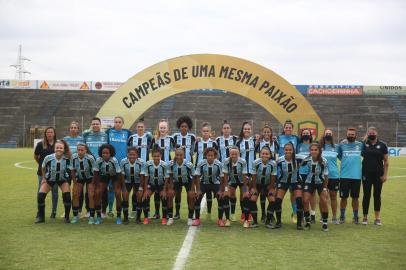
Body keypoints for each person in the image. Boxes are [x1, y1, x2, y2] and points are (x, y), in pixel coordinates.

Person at [35, 140, 72, 223]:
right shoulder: (48, 157)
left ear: (64, 149)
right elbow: (43, 167)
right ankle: (41, 217)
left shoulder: (67, 158)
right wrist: (44, 178)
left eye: (61, 148)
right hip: (50, 179)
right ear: (54, 148)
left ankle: (67, 217)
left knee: (67, 196)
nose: (59, 149)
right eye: (57, 147)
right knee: (40, 196)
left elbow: (71, 169)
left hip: (62, 180)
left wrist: (69, 180)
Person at [128, 118, 156, 218]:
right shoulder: (132, 137)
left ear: (144, 128)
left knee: (145, 190)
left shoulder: (148, 137)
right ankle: (134, 210)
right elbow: (129, 149)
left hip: (146, 167)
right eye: (138, 127)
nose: (140, 128)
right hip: (135, 167)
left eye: (142, 127)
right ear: (136, 128)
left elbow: (153, 145)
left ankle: (147, 210)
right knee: (136, 190)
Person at [361, 127, 389, 226]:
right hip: (366, 174)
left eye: (373, 133)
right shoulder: (364, 144)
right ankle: (365, 217)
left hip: (378, 174)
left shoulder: (382, 145)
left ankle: (377, 218)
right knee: (366, 195)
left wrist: (385, 175)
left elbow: (386, 161)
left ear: (376, 133)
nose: (372, 134)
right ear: (367, 134)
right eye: (370, 133)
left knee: (377, 195)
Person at [83, 117, 109, 218]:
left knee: (103, 189)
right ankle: (89, 210)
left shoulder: (105, 136)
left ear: (100, 125)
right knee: (89, 189)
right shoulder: (86, 135)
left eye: (97, 124)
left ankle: (103, 211)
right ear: (91, 125)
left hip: (102, 166)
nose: (95, 126)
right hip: (89, 166)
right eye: (93, 124)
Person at [106, 116, 132, 219]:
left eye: (119, 122)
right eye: (116, 122)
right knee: (111, 188)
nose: (117, 123)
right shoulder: (109, 132)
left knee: (125, 188)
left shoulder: (127, 133)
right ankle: (111, 210)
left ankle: (126, 209)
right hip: (112, 163)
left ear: (123, 123)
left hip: (124, 164)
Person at [274, 142, 304, 230]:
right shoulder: (280, 160)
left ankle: (299, 223)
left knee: (299, 201)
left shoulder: (299, 158)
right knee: (278, 201)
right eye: (286, 150)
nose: (288, 151)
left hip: (296, 181)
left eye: (290, 150)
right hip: (283, 181)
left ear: (293, 150)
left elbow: (310, 159)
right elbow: (274, 171)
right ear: (284, 150)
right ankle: (278, 222)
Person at [193, 147, 225, 227]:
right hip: (204, 183)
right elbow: (197, 176)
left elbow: (222, 178)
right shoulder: (201, 163)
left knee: (221, 197)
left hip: (215, 183)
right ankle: (197, 218)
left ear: (215, 156)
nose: (210, 157)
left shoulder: (219, 164)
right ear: (205, 156)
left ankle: (220, 219)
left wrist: (221, 190)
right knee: (197, 197)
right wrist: (198, 190)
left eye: (212, 155)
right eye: (208, 155)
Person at [337, 127, 364, 224]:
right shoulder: (342, 145)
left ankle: (355, 217)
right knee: (343, 197)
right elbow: (339, 156)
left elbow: (365, 154)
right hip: (344, 175)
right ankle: (342, 216)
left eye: (352, 134)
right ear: (346, 134)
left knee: (355, 197)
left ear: (355, 135)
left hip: (356, 176)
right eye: (349, 134)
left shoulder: (360, 145)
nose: (350, 136)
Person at [301, 143, 329, 232]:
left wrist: (325, 188)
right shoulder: (306, 160)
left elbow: (326, 175)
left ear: (319, 151)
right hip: (309, 181)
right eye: (312, 150)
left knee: (324, 201)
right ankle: (308, 221)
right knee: (305, 200)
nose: (313, 151)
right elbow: (299, 167)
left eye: (315, 150)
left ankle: (325, 223)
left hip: (320, 182)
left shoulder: (324, 161)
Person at [142, 146, 173, 225]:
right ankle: (146, 217)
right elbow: (146, 177)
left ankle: (164, 218)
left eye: (158, 156)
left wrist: (164, 190)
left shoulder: (164, 165)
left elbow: (166, 178)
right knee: (145, 197)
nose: (156, 158)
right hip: (151, 184)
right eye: (154, 156)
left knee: (164, 197)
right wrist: (145, 190)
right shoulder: (148, 164)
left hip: (161, 184)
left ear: (161, 156)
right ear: (152, 156)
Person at [151, 120, 176, 218]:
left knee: (168, 190)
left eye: (164, 128)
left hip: (168, 168)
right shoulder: (155, 139)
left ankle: (168, 213)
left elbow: (176, 150)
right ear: (158, 128)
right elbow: (152, 153)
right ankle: (157, 213)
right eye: (161, 128)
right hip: (157, 168)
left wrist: (172, 161)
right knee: (157, 191)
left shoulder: (171, 139)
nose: (162, 129)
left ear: (167, 129)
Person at [277, 120, 300, 224]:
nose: (288, 129)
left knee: (293, 193)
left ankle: (295, 213)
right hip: (281, 168)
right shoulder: (279, 138)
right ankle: (278, 218)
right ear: (284, 128)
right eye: (286, 127)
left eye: (290, 127)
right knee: (279, 194)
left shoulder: (296, 138)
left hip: (293, 169)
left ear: (292, 128)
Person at [255, 124, 279, 223]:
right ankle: (263, 214)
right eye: (264, 132)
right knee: (262, 193)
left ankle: (270, 214)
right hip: (261, 171)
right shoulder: (259, 143)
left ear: (271, 133)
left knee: (271, 192)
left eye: (268, 132)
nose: (266, 133)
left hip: (271, 171)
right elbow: (256, 157)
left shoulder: (275, 143)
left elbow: (276, 156)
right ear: (262, 133)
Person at [92, 144, 121, 225]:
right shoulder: (98, 160)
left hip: (114, 176)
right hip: (104, 176)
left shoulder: (114, 160)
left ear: (111, 153)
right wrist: (95, 184)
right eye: (103, 153)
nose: (104, 154)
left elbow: (119, 173)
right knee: (97, 193)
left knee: (118, 194)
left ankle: (118, 217)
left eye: (107, 153)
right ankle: (98, 217)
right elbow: (96, 173)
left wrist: (119, 185)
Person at [194, 122, 218, 217]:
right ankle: (198, 212)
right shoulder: (198, 142)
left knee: (209, 190)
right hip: (200, 170)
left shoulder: (213, 142)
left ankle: (208, 211)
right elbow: (192, 152)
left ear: (210, 132)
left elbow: (217, 155)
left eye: (207, 131)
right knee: (201, 190)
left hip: (211, 169)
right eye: (204, 131)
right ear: (201, 132)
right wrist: (195, 141)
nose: (205, 133)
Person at [63, 121, 87, 218]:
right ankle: (67, 210)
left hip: (78, 169)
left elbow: (85, 152)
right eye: (71, 127)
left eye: (75, 127)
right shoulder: (65, 140)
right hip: (67, 168)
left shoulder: (82, 140)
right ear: (69, 129)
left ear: (78, 129)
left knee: (79, 190)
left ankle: (79, 210)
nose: (73, 129)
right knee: (66, 190)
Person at [34, 127, 58, 218]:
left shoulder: (57, 144)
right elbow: (36, 156)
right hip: (42, 173)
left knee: (54, 192)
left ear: (54, 133)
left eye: (51, 132)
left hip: (55, 173)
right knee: (40, 192)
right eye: (48, 132)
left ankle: (54, 212)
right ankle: (39, 211)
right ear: (45, 134)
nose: (50, 134)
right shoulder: (40, 144)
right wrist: (41, 165)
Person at [251, 146, 277, 228]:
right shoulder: (255, 162)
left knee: (272, 201)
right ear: (260, 154)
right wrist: (254, 188)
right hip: (257, 184)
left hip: (267, 185)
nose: (265, 155)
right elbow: (254, 176)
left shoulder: (273, 163)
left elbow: (273, 176)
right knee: (252, 199)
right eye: (263, 153)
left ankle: (268, 222)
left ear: (270, 155)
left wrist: (272, 187)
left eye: (267, 154)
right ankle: (255, 222)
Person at [169, 147, 196, 225]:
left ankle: (190, 217)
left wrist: (192, 189)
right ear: (175, 155)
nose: (179, 157)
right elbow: (170, 176)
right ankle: (170, 217)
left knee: (191, 196)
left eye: (181, 155)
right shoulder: (171, 164)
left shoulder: (188, 164)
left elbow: (194, 176)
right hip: (177, 181)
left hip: (187, 181)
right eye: (177, 155)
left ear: (184, 155)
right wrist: (170, 188)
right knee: (170, 195)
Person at [69, 143, 96, 224]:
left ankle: (91, 217)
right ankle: (75, 216)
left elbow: (95, 171)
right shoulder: (73, 157)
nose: (80, 152)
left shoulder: (90, 158)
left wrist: (93, 183)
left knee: (91, 195)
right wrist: (75, 183)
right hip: (79, 178)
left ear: (86, 151)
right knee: (75, 194)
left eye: (82, 150)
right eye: (78, 150)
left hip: (90, 178)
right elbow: (72, 170)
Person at [119, 146, 145, 224]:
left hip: (138, 181)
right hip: (127, 181)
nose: (132, 156)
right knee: (125, 196)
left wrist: (140, 187)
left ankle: (138, 218)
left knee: (139, 197)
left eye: (134, 155)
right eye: (130, 154)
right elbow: (122, 175)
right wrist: (123, 188)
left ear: (137, 155)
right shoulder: (123, 161)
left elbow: (142, 176)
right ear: (127, 155)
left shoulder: (141, 162)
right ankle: (126, 218)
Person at [236, 121, 255, 222]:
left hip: (252, 172)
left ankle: (249, 212)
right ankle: (244, 213)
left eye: (248, 129)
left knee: (251, 192)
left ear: (251, 130)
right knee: (243, 192)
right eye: (245, 129)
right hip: (242, 172)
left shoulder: (255, 141)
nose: (247, 130)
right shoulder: (239, 142)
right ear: (242, 130)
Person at [222, 146, 247, 226]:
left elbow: (244, 175)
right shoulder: (226, 161)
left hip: (242, 181)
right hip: (232, 181)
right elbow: (225, 176)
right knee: (231, 195)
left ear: (239, 154)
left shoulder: (243, 161)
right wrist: (226, 188)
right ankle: (232, 214)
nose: (234, 155)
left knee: (243, 195)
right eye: (232, 154)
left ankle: (243, 214)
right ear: (229, 154)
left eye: (235, 154)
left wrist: (245, 189)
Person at [320, 129, 340, 224]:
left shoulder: (336, 147)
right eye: (326, 133)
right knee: (323, 197)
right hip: (322, 176)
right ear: (324, 135)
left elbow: (342, 157)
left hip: (334, 175)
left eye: (330, 134)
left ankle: (334, 217)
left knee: (333, 197)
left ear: (332, 136)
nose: (328, 135)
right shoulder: (319, 147)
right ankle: (322, 215)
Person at [297, 129, 315, 223]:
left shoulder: (313, 146)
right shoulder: (298, 146)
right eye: (304, 133)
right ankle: (304, 214)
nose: (305, 135)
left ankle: (313, 214)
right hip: (300, 174)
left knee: (311, 195)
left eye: (307, 133)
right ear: (301, 135)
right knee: (302, 196)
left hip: (311, 174)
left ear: (310, 135)